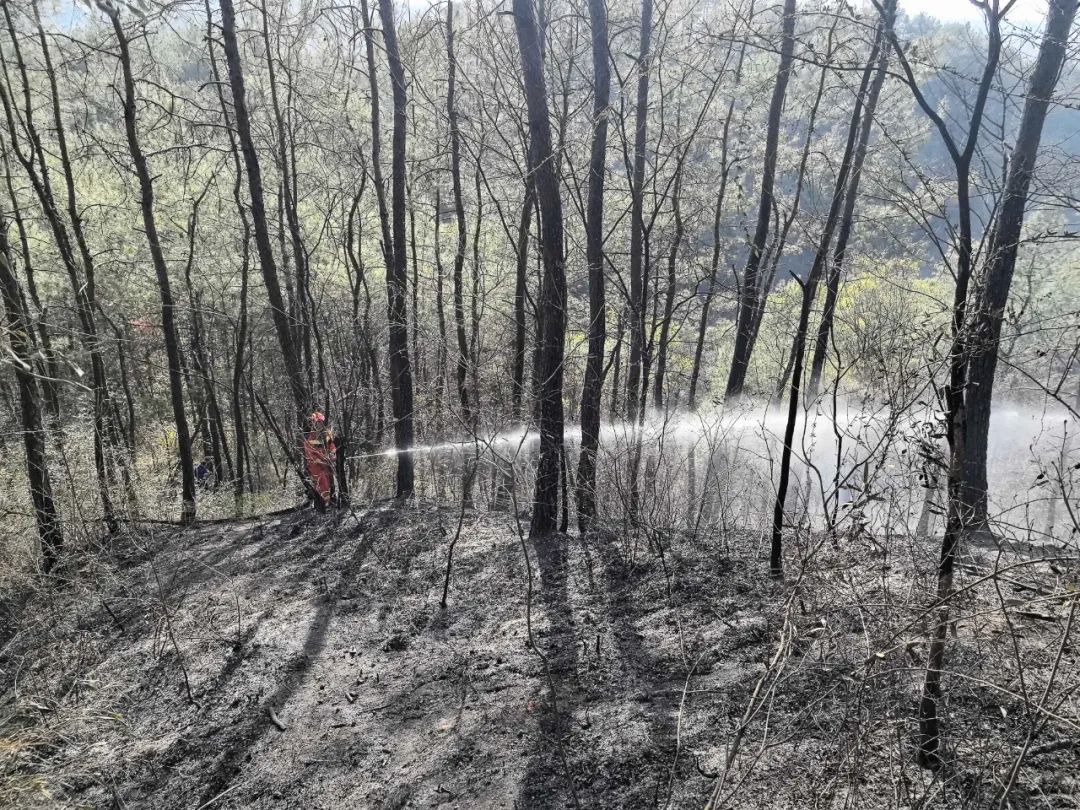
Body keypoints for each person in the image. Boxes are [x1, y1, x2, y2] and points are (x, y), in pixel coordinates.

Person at [303, 410, 336, 506]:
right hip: (316, 466)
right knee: (322, 484)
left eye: (321, 422)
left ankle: (328, 503)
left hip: (328, 465)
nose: (320, 424)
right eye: (318, 422)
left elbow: (332, 447)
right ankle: (323, 504)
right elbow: (310, 453)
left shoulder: (327, 434)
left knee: (330, 484)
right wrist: (323, 459)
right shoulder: (310, 438)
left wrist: (332, 457)